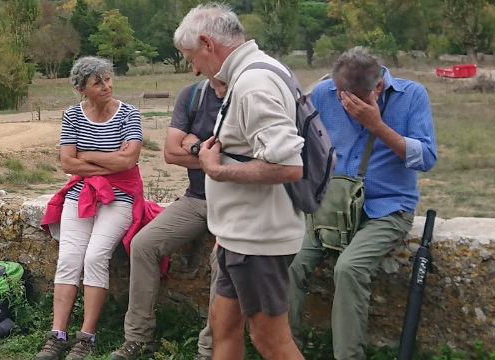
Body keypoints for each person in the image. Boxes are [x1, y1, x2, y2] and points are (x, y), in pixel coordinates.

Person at [286, 47, 438, 360]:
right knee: (289, 263)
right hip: (333, 208)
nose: (342, 101)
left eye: (350, 96)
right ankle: (286, 352)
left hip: (386, 208)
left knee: (349, 268)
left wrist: (377, 125)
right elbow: (300, 145)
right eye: (339, 92)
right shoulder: (324, 93)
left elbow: (426, 158)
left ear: (377, 87)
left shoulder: (412, 95)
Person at [175, 3, 308, 359]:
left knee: (269, 339)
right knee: (224, 325)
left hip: (258, 240)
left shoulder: (253, 83)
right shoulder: (257, 70)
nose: (193, 67)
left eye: (191, 57)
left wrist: (216, 171)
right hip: (241, 235)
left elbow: (289, 166)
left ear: (207, 43)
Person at [36, 56, 159, 360]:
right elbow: (67, 162)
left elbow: (128, 161)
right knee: (68, 258)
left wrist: (87, 156)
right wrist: (108, 159)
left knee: (94, 257)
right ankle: (58, 334)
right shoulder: (74, 116)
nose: (107, 86)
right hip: (82, 194)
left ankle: (86, 337)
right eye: (98, 82)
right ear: (81, 89)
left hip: (121, 196)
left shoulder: (128, 114)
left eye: (108, 79)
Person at [112, 78, 227, 360]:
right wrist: (206, 151)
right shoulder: (193, 95)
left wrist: (192, 144)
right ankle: (138, 340)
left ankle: (210, 350)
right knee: (144, 244)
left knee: (222, 260)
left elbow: (239, 159)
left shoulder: (245, 92)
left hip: (234, 204)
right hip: (196, 198)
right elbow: (170, 153)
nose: (192, 65)